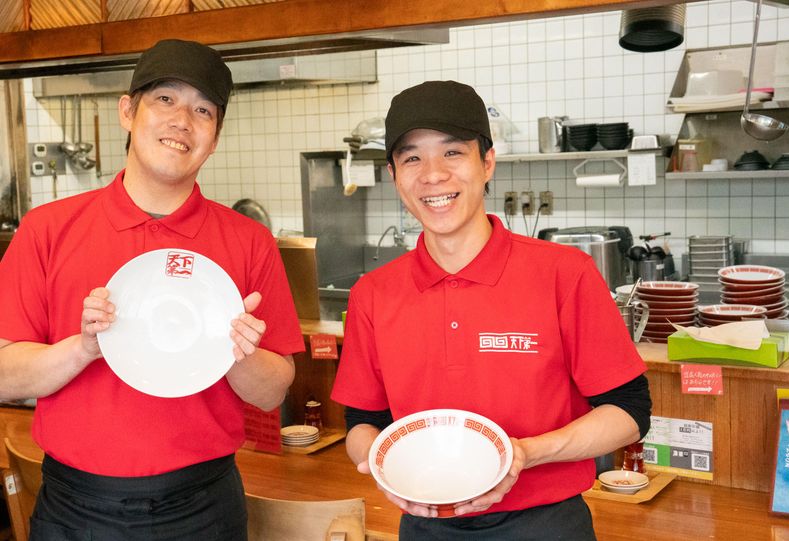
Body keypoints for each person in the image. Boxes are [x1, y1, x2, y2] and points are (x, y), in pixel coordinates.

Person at [0, 39, 304, 540]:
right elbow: (7, 375)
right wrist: (84, 348)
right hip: (78, 509)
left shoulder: (248, 241)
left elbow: (272, 392)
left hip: (203, 508)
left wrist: (240, 351)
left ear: (215, 137)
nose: (182, 120)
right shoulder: (48, 229)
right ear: (128, 111)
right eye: (165, 99)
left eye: (203, 110)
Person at [331, 80, 652, 540]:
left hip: (547, 525)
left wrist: (525, 453)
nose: (433, 174)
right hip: (425, 527)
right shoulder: (374, 293)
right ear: (395, 175)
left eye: (453, 152)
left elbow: (630, 410)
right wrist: (383, 466)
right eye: (412, 157)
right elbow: (363, 422)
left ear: (487, 163)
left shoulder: (564, 273)